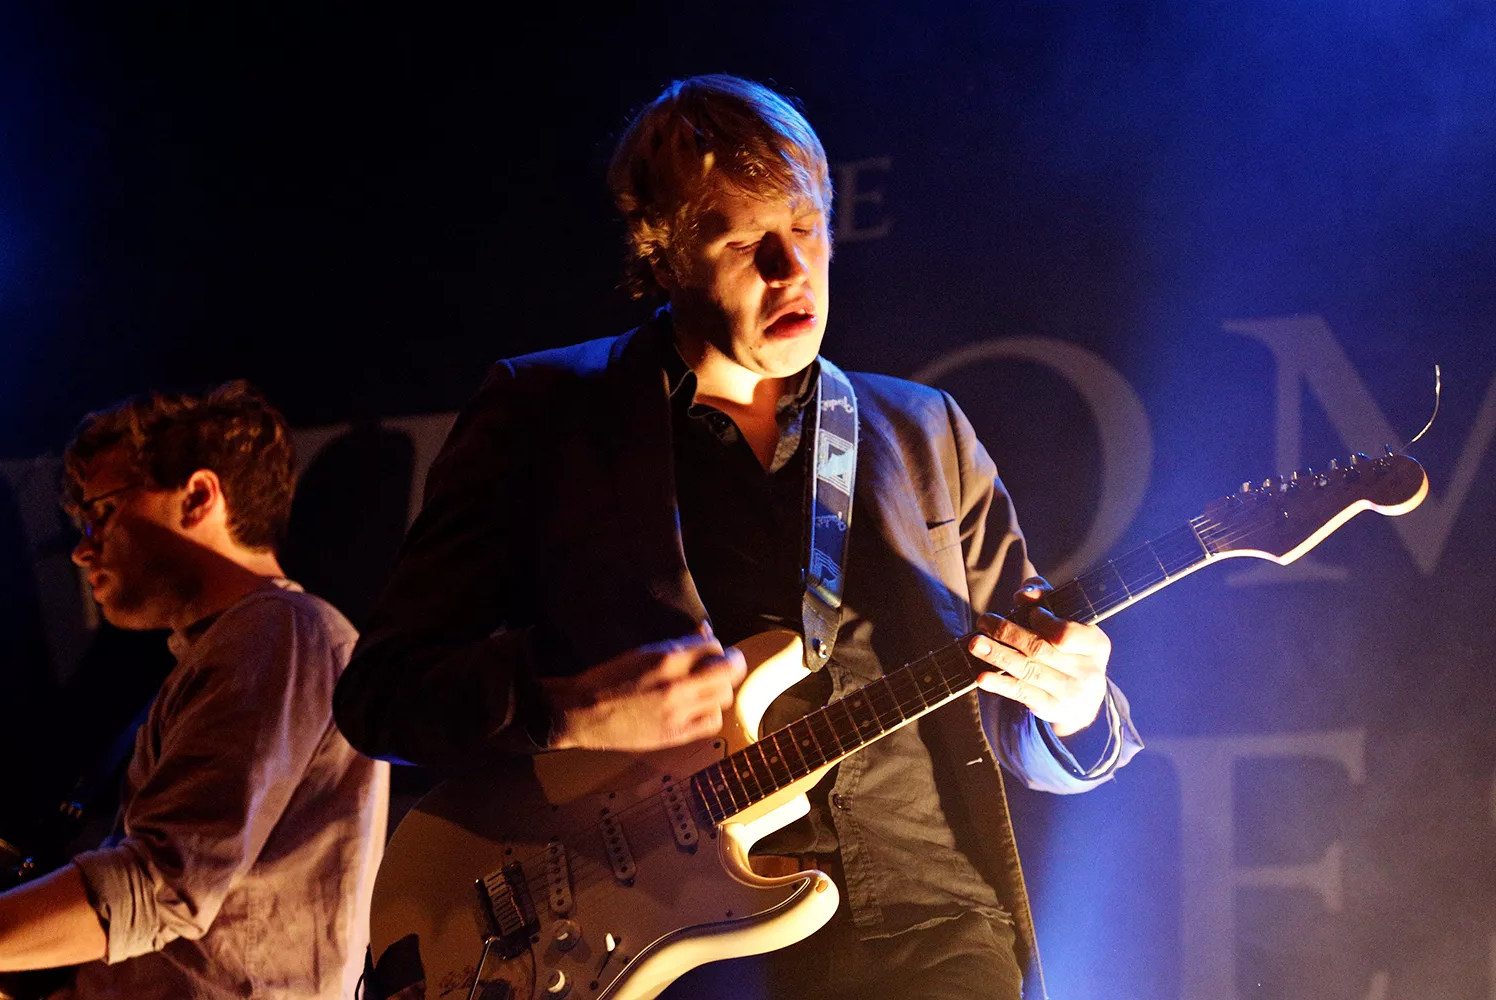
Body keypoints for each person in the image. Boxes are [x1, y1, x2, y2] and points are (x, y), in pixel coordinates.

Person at [334, 75, 1141, 1000]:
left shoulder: (925, 432)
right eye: (743, 241)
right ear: (664, 259)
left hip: (939, 925)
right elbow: (381, 695)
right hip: (675, 949)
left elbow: (1030, 712)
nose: (790, 267)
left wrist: (1073, 703)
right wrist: (567, 707)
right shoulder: (545, 411)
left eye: (806, 226)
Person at [0, 382, 389, 999]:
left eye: (101, 514)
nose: (82, 550)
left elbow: (162, 885)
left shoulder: (279, 630)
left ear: (199, 496)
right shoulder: (243, 646)